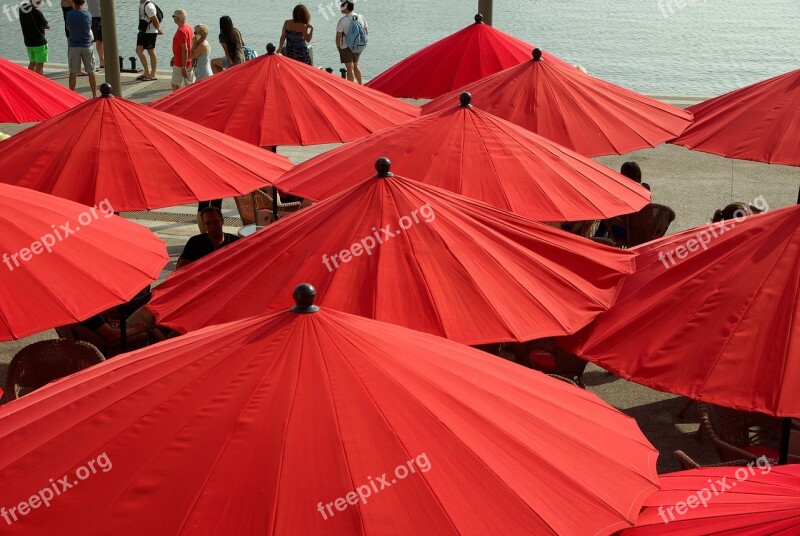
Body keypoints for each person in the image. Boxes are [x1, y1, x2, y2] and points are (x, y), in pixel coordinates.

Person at [65, 0, 97, 97]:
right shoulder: (88, 14)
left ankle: (72, 94)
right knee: (91, 71)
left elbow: (68, 27)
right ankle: (94, 95)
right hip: (87, 45)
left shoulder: (69, 14)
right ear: (83, 3)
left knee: (73, 72)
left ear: (73, 2)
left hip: (74, 45)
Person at [336, 1, 367, 84]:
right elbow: (366, 32)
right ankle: (360, 86)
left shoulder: (343, 20)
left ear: (345, 7)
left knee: (349, 68)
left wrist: (339, 48)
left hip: (345, 47)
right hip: (358, 46)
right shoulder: (361, 17)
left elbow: (337, 38)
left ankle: (352, 88)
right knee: (356, 66)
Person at [19, 0, 50, 75]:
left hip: (28, 42)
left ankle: (29, 81)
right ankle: (38, 83)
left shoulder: (22, 9)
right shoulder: (38, 13)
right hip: (39, 42)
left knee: (32, 63)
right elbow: (47, 26)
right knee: (39, 65)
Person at [136, 0, 162, 81]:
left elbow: (155, 19)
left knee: (151, 51)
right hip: (143, 30)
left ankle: (153, 74)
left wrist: (159, 29)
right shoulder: (141, 4)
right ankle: (146, 72)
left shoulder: (149, 6)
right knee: (139, 51)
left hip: (150, 32)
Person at [169, 9, 194, 91]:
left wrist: (183, 67)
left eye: (174, 16)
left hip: (180, 63)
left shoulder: (181, 31)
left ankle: (176, 102)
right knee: (190, 86)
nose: (173, 18)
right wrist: (174, 57)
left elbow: (185, 50)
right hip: (189, 61)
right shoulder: (189, 28)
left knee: (175, 85)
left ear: (178, 18)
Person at [85, 0, 103, 68]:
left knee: (100, 40)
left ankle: (102, 61)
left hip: (102, 16)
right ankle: (90, 62)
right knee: (90, 41)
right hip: (92, 17)